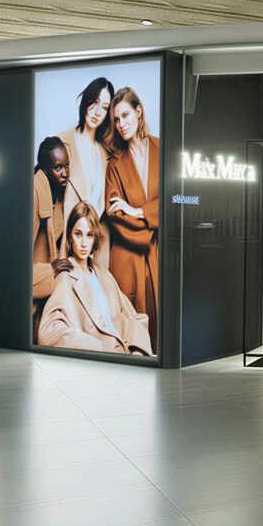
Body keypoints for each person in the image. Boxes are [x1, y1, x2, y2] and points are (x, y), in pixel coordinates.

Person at [37, 202, 153, 355]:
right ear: (70, 236)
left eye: (89, 235)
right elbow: (48, 332)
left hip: (125, 353)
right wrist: (97, 349)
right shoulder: (66, 276)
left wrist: (137, 352)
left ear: (95, 239)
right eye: (78, 234)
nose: (84, 243)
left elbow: (132, 318)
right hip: (102, 357)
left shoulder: (105, 276)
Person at [104, 86, 159, 351]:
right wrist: (155, 225)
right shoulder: (114, 163)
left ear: (138, 111)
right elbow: (114, 212)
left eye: (125, 115)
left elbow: (179, 197)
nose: (121, 124)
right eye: (116, 119)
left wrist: (140, 212)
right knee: (132, 330)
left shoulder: (164, 149)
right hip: (129, 255)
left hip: (160, 255)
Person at [58, 77, 114, 269]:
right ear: (86, 99)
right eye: (95, 102)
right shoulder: (61, 144)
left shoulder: (107, 154)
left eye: (105, 107)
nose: (98, 112)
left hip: (98, 252)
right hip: (67, 248)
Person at [32, 136, 72, 334]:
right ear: (45, 170)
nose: (65, 173)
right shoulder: (34, 193)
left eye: (67, 166)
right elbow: (12, 262)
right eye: (58, 168)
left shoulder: (60, 192)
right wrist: (50, 270)